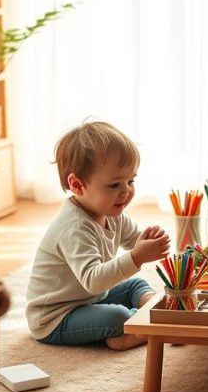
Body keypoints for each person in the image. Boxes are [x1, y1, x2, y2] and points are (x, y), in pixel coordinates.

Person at [26, 121, 170, 350]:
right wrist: (137, 257)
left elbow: (134, 240)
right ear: (77, 185)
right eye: (114, 184)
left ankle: (158, 313)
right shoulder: (73, 228)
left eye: (130, 181)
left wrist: (149, 240)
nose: (126, 191)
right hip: (56, 317)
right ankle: (130, 334)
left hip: (89, 299)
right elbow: (93, 281)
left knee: (135, 286)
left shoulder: (111, 211)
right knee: (117, 316)